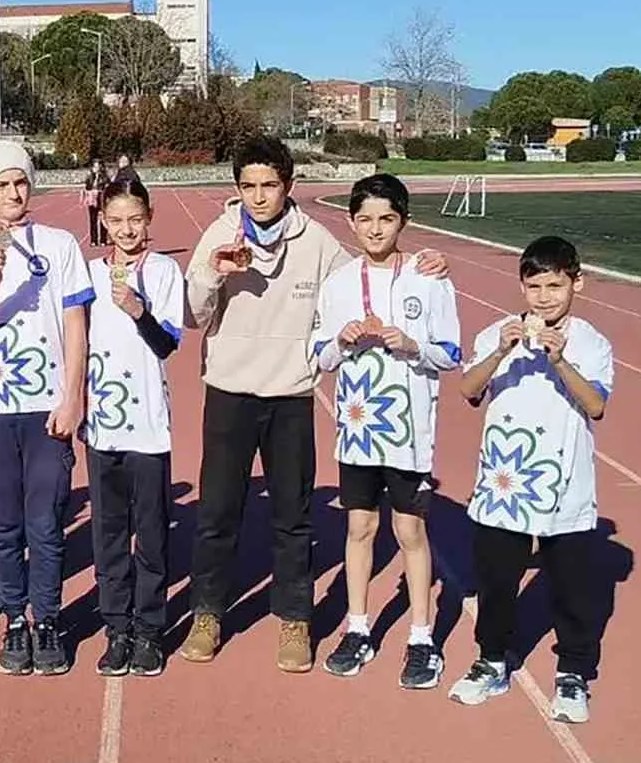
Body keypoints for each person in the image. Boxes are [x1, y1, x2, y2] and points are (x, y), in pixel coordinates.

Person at [181, 136, 447, 671]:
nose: (259, 197)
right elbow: (191, 316)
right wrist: (213, 271)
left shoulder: (319, 242)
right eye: (249, 186)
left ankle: (295, 620)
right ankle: (207, 614)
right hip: (230, 391)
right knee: (216, 513)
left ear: (289, 186)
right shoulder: (220, 233)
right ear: (237, 189)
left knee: (292, 517)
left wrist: (422, 264)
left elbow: (368, 275)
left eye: (269, 186)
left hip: (291, 397)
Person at [449, 236, 614, 724]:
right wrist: (500, 352)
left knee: (571, 587)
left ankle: (573, 673)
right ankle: (492, 661)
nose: (543, 297)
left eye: (555, 286)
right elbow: (467, 388)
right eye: (534, 286)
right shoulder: (497, 335)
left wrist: (560, 360)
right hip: (505, 485)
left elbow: (597, 405)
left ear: (576, 283)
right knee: (497, 582)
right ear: (521, 286)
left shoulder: (591, 342)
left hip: (565, 485)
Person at [0, 141, 91, 676]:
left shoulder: (60, 244)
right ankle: (13, 617)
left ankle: (48, 618)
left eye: (20, 182)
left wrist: (73, 395)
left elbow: (77, 327)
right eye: (1, 185)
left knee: (46, 521)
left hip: (48, 405)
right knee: (2, 523)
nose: (13, 193)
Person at [313, 174, 461, 689]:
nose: (375, 229)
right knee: (359, 530)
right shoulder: (337, 285)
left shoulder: (430, 278)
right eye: (365, 219)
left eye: (387, 219)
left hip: (410, 435)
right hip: (357, 433)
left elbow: (451, 354)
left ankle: (422, 637)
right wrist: (342, 340)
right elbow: (319, 358)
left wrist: (412, 344)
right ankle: (358, 628)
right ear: (351, 222)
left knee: (410, 532)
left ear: (404, 222)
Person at [84, 177, 184, 677]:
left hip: (147, 425)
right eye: (117, 220)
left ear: (150, 218)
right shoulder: (86, 274)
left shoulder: (165, 271)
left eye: (135, 220)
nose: (126, 230)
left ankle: (149, 629)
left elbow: (168, 345)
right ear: (103, 220)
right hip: (102, 424)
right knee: (108, 533)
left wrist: (139, 310)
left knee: (150, 533)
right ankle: (115, 627)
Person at [83, 160, 110, 247]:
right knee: (93, 221)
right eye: (94, 167)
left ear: (101, 167)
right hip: (92, 200)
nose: (96, 169)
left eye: (97, 167)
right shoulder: (90, 177)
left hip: (101, 199)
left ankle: (103, 240)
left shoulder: (105, 177)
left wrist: (102, 189)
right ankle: (93, 240)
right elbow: (87, 187)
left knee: (102, 220)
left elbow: (108, 187)